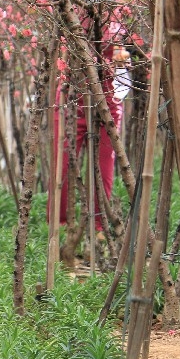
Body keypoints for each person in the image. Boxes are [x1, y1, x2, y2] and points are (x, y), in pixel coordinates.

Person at [53, 17, 130, 241]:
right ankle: (60, 226)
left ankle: (99, 227)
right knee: (63, 163)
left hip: (107, 98)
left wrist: (122, 59)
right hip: (71, 97)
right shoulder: (68, 12)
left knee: (104, 163)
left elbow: (123, 58)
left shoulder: (116, 17)